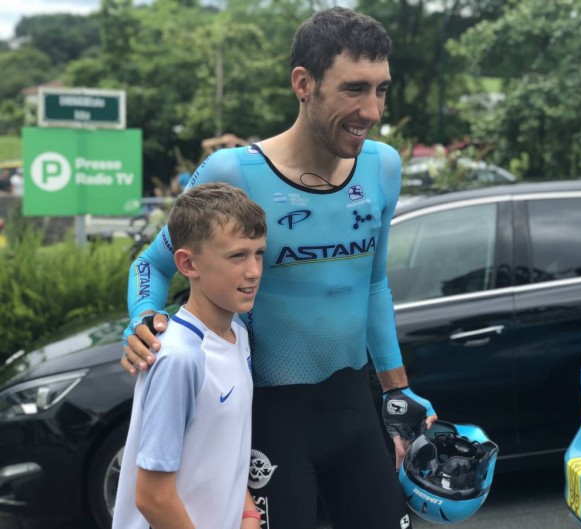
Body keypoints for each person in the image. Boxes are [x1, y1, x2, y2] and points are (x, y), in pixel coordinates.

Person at [122, 7, 437, 529]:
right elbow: (151, 263)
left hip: (354, 406)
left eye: (381, 89)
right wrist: (143, 319)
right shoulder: (233, 172)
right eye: (354, 89)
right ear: (303, 84)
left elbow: (373, 284)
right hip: (272, 420)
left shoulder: (383, 166)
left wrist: (397, 388)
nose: (372, 110)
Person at [113, 183, 268, 529]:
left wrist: (247, 513)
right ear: (187, 263)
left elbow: (222, 450)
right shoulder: (179, 358)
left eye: (258, 253)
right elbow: (153, 498)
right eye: (237, 256)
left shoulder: (238, 335)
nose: (254, 270)